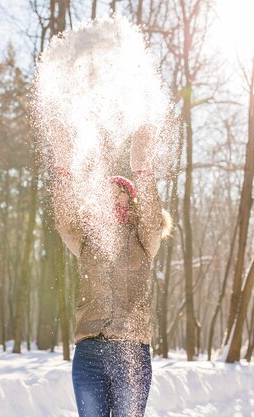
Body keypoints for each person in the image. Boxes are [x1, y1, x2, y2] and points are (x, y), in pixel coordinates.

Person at [46, 119, 172, 417]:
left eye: (122, 193)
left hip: (131, 352)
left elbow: (153, 217)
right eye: (109, 195)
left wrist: (142, 167)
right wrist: (63, 167)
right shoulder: (88, 239)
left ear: (132, 199)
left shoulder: (144, 239)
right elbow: (64, 219)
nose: (115, 198)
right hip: (89, 353)